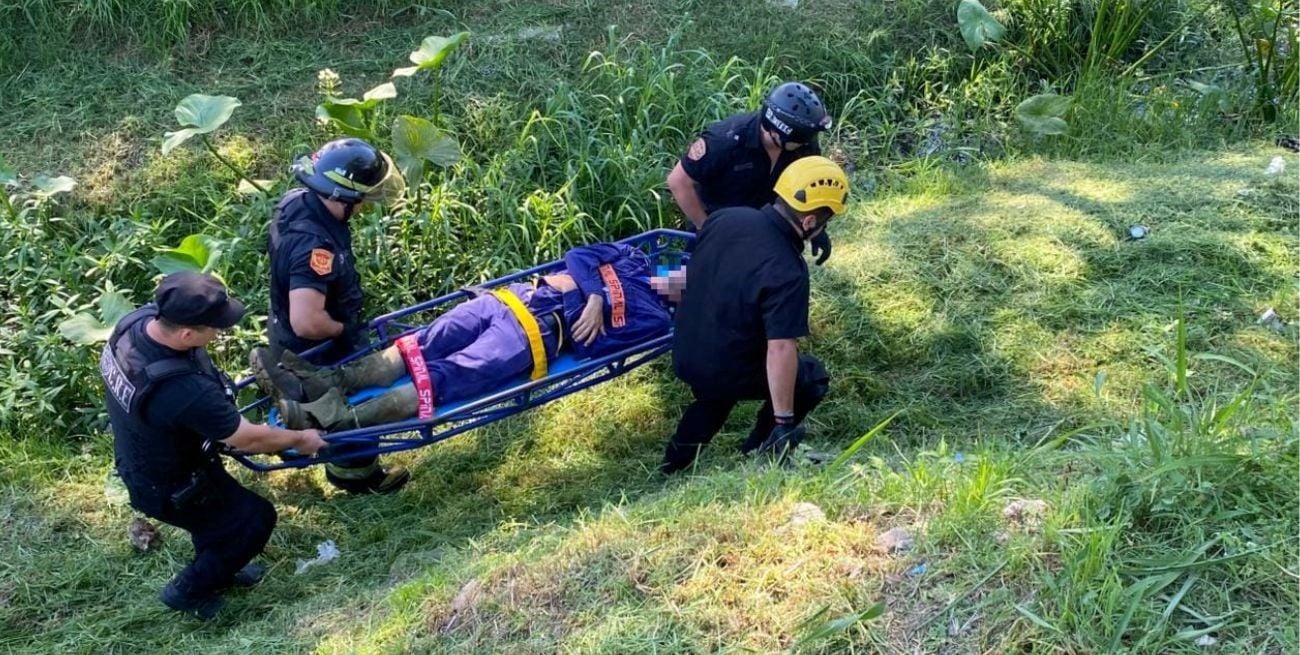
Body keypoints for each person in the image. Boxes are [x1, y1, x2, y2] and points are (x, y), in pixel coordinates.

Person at [101, 272, 327, 620]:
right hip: (170, 483)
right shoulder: (181, 389)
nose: (221, 333)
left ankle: (223, 566)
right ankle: (189, 590)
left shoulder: (136, 325)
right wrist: (301, 439)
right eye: (215, 328)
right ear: (188, 334)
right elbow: (247, 438)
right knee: (253, 520)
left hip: (149, 457)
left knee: (217, 521)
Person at [259, 243, 677, 431]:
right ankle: (326, 383)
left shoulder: (654, 319)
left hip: (532, 337)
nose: (681, 278)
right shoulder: (633, 260)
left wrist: (583, 293)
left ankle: (331, 419)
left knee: (440, 378)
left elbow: (594, 344)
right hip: (508, 301)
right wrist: (596, 297)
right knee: (420, 344)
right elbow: (579, 256)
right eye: (688, 271)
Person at [660, 156, 849, 474]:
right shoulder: (788, 272)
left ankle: (672, 466)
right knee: (811, 376)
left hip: (686, 348)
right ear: (809, 222)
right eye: (824, 222)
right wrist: (784, 420)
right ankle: (765, 445)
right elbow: (780, 348)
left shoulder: (725, 218)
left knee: (714, 396)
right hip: (722, 365)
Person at [249, 137, 411, 494]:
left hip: (282, 329)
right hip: (318, 344)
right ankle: (358, 478)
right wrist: (344, 328)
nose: (364, 207)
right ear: (341, 197)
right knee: (351, 405)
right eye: (362, 200)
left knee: (331, 399)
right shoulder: (315, 247)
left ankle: (297, 398)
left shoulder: (297, 202)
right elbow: (307, 320)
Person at [666, 81, 836, 265]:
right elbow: (678, 182)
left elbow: (808, 187)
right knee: (680, 286)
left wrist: (818, 230)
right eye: (801, 140)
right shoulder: (726, 140)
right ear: (778, 131)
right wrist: (706, 228)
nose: (807, 143)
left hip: (765, 230)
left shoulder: (803, 145)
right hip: (716, 225)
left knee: (757, 287)